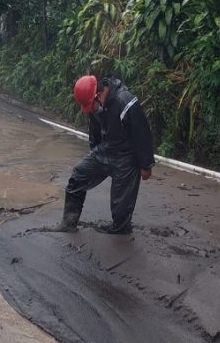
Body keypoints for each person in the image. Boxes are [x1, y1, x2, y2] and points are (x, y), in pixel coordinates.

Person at [54, 75, 154, 234]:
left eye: (89, 105)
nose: (88, 110)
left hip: (126, 158)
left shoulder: (125, 102)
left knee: (121, 207)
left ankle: (121, 231)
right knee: (78, 177)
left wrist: (146, 165)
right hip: (105, 150)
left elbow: (142, 133)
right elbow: (94, 131)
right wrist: (94, 151)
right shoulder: (96, 105)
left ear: (98, 95)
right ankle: (69, 222)